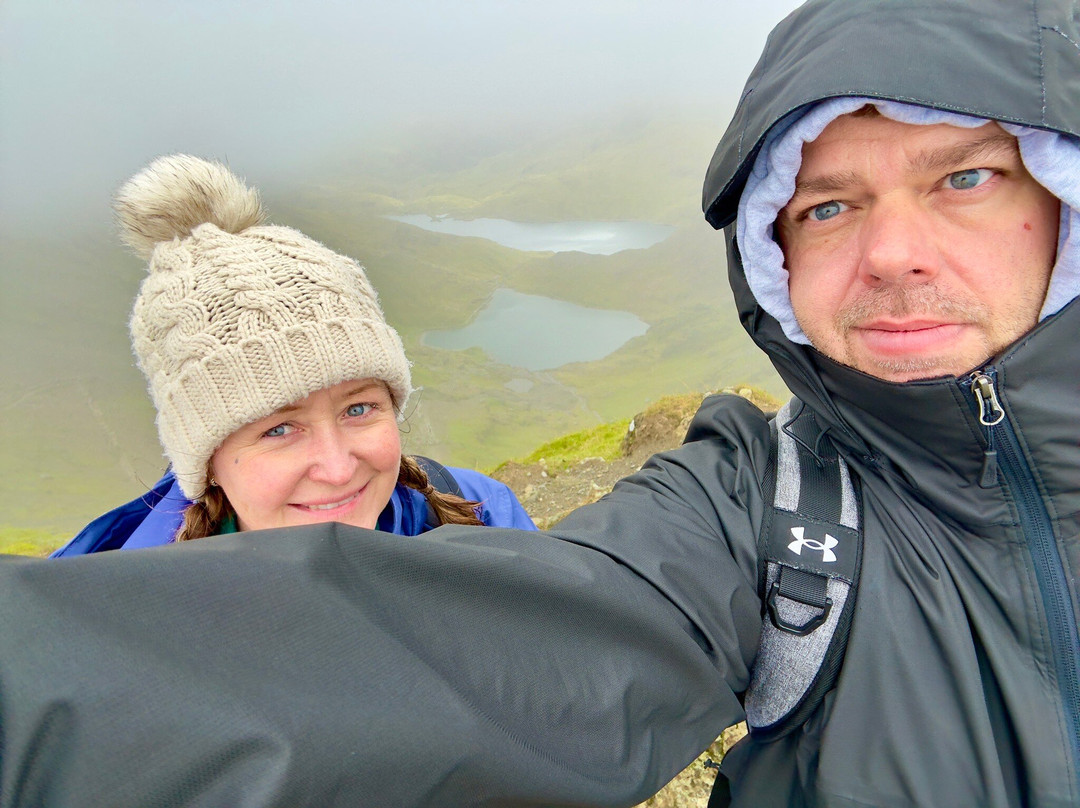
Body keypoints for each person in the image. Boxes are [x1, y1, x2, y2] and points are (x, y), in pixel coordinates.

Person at [1, 0, 1078, 805]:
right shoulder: (761, 507)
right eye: (830, 203)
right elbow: (505, 652)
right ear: (773, 252)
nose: (891, 253)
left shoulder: (478, 514)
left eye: (965, 178)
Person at [50, 153, 534, 556]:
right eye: (278, 429)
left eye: (359, 408)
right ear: (207, 463)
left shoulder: (483, 514)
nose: (338, 469)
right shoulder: (123, 629)